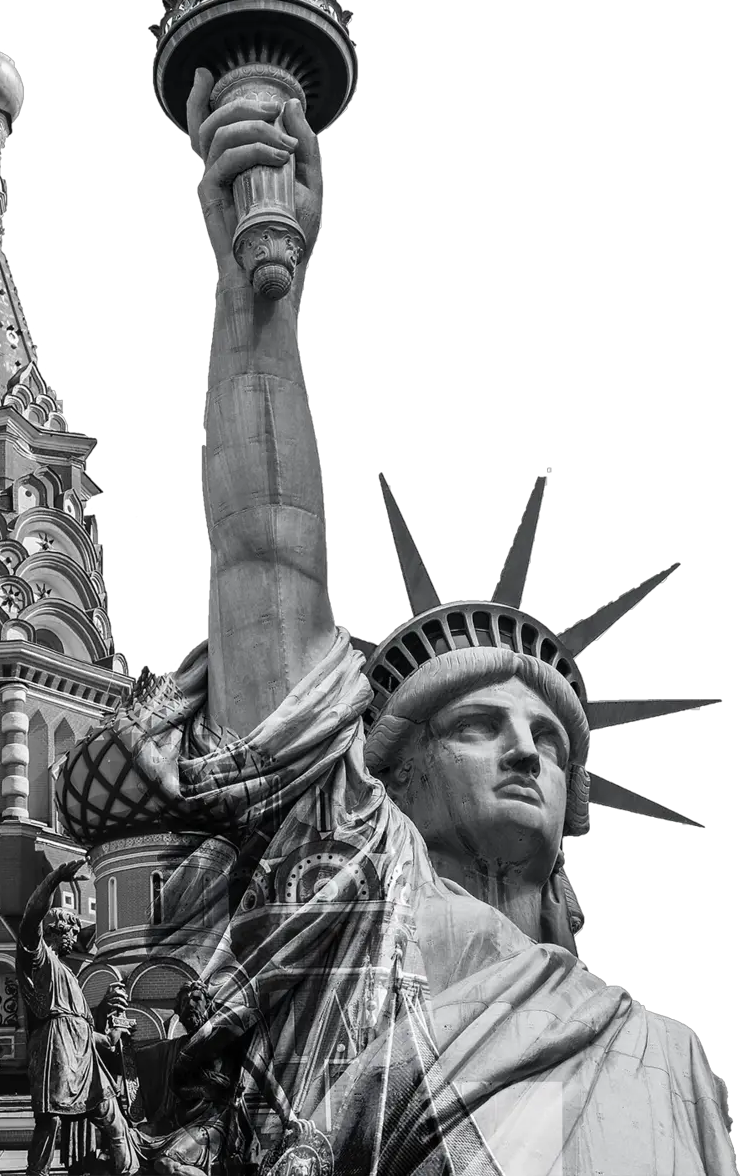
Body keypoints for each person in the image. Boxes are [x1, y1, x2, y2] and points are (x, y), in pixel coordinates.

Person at [54, 66, 737, 1174]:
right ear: (394, 779)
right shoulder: (357, 910)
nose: (526, 744)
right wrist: (253, 295)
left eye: (550, 738)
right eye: (480, 725)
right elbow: (264, 547)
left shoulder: (654, 1053)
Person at [18, 857, 139, 1176]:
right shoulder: (42, 961)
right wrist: (54, 879)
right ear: (54, 932)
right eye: (68, 929)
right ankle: (37, 1171)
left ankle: (128, 1169)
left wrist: (111, 1033)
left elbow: (84, 1031)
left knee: (110, 1110)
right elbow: (30, 920)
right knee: (51, 1116)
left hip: (82, 1053)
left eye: (73, 929)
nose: (73, 935)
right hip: (55, 1047)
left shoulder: (71, 978)